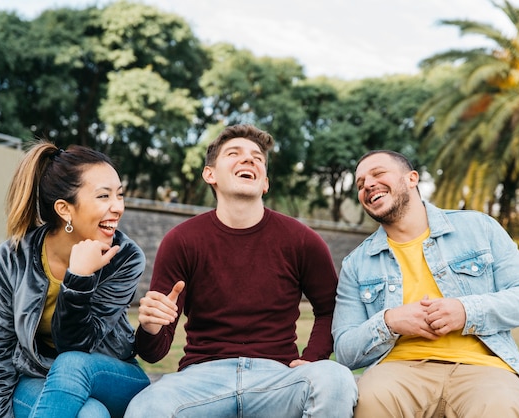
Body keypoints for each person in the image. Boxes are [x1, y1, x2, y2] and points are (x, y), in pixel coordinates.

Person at [125, 124, 358, 417]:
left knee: (335, 379)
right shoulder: (182, 240)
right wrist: (150, 326)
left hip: (278, 377)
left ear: (265, 183)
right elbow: (153, 352)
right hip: (201, 378)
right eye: (234, 153)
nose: (248, 160)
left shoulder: (301, 240)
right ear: (210, 174)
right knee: (144, 408)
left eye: (257, 158)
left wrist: (312, 358)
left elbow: (330, 308)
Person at [332, 150, 519, 417]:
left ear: (412, 179)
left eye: (377, 174)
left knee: (499, 407)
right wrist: (389, 322)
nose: (368, 185)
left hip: (486, 369)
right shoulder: (356, 264)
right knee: (371, 401)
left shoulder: (479, 227)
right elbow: (344, 350)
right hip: (399, 371)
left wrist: (465, 311)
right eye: (360, 184)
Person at [0, 142, 150, 418]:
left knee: (72, 364)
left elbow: (78, 347)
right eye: (104, 196)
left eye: (119, 195)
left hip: (110, 373)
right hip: (37, 378)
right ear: (65, 209)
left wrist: (79, 280)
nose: (118, 207)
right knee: (91, 414)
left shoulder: (125, 257)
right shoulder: (12, 258)